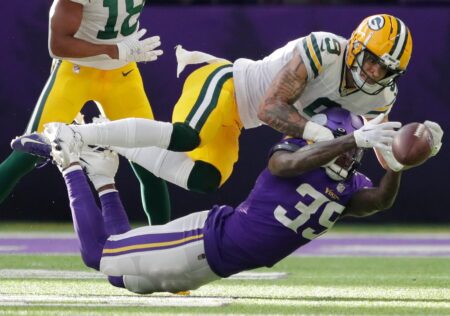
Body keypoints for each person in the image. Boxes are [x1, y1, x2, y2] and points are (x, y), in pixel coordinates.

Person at [15, 14, 442, 194]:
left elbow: (385, 153)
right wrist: (323, 135)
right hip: (226, 83)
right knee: (186, 137)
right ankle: (70, 132)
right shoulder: (323, 50)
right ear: (356, 46)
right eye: (369, 61)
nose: (372, 74)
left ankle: (108, 143)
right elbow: (272, 108)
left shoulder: (383, 93)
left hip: (239, 121)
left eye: (384, 70)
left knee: (204, 179)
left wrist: (410, 149)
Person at [36, 107, 424, 294]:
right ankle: (68, 161)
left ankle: (103, 176)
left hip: (213, 269)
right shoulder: (291, 154)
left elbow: (378, 202)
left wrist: (398, 166)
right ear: (326, 138)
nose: (348, 157)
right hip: (203, 240)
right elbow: (288, 164)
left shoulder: (349, 185)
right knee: (98, 255)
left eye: (352, 152)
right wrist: (350, 140)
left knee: (125, 279)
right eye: (343, 147)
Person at [1, 0, 170, 224]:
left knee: (151, 163)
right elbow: (58, 45)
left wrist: (120, 52)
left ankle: (165, 244)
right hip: (76, 71)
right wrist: (114, 50)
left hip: (122, 73)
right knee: (28, 152)